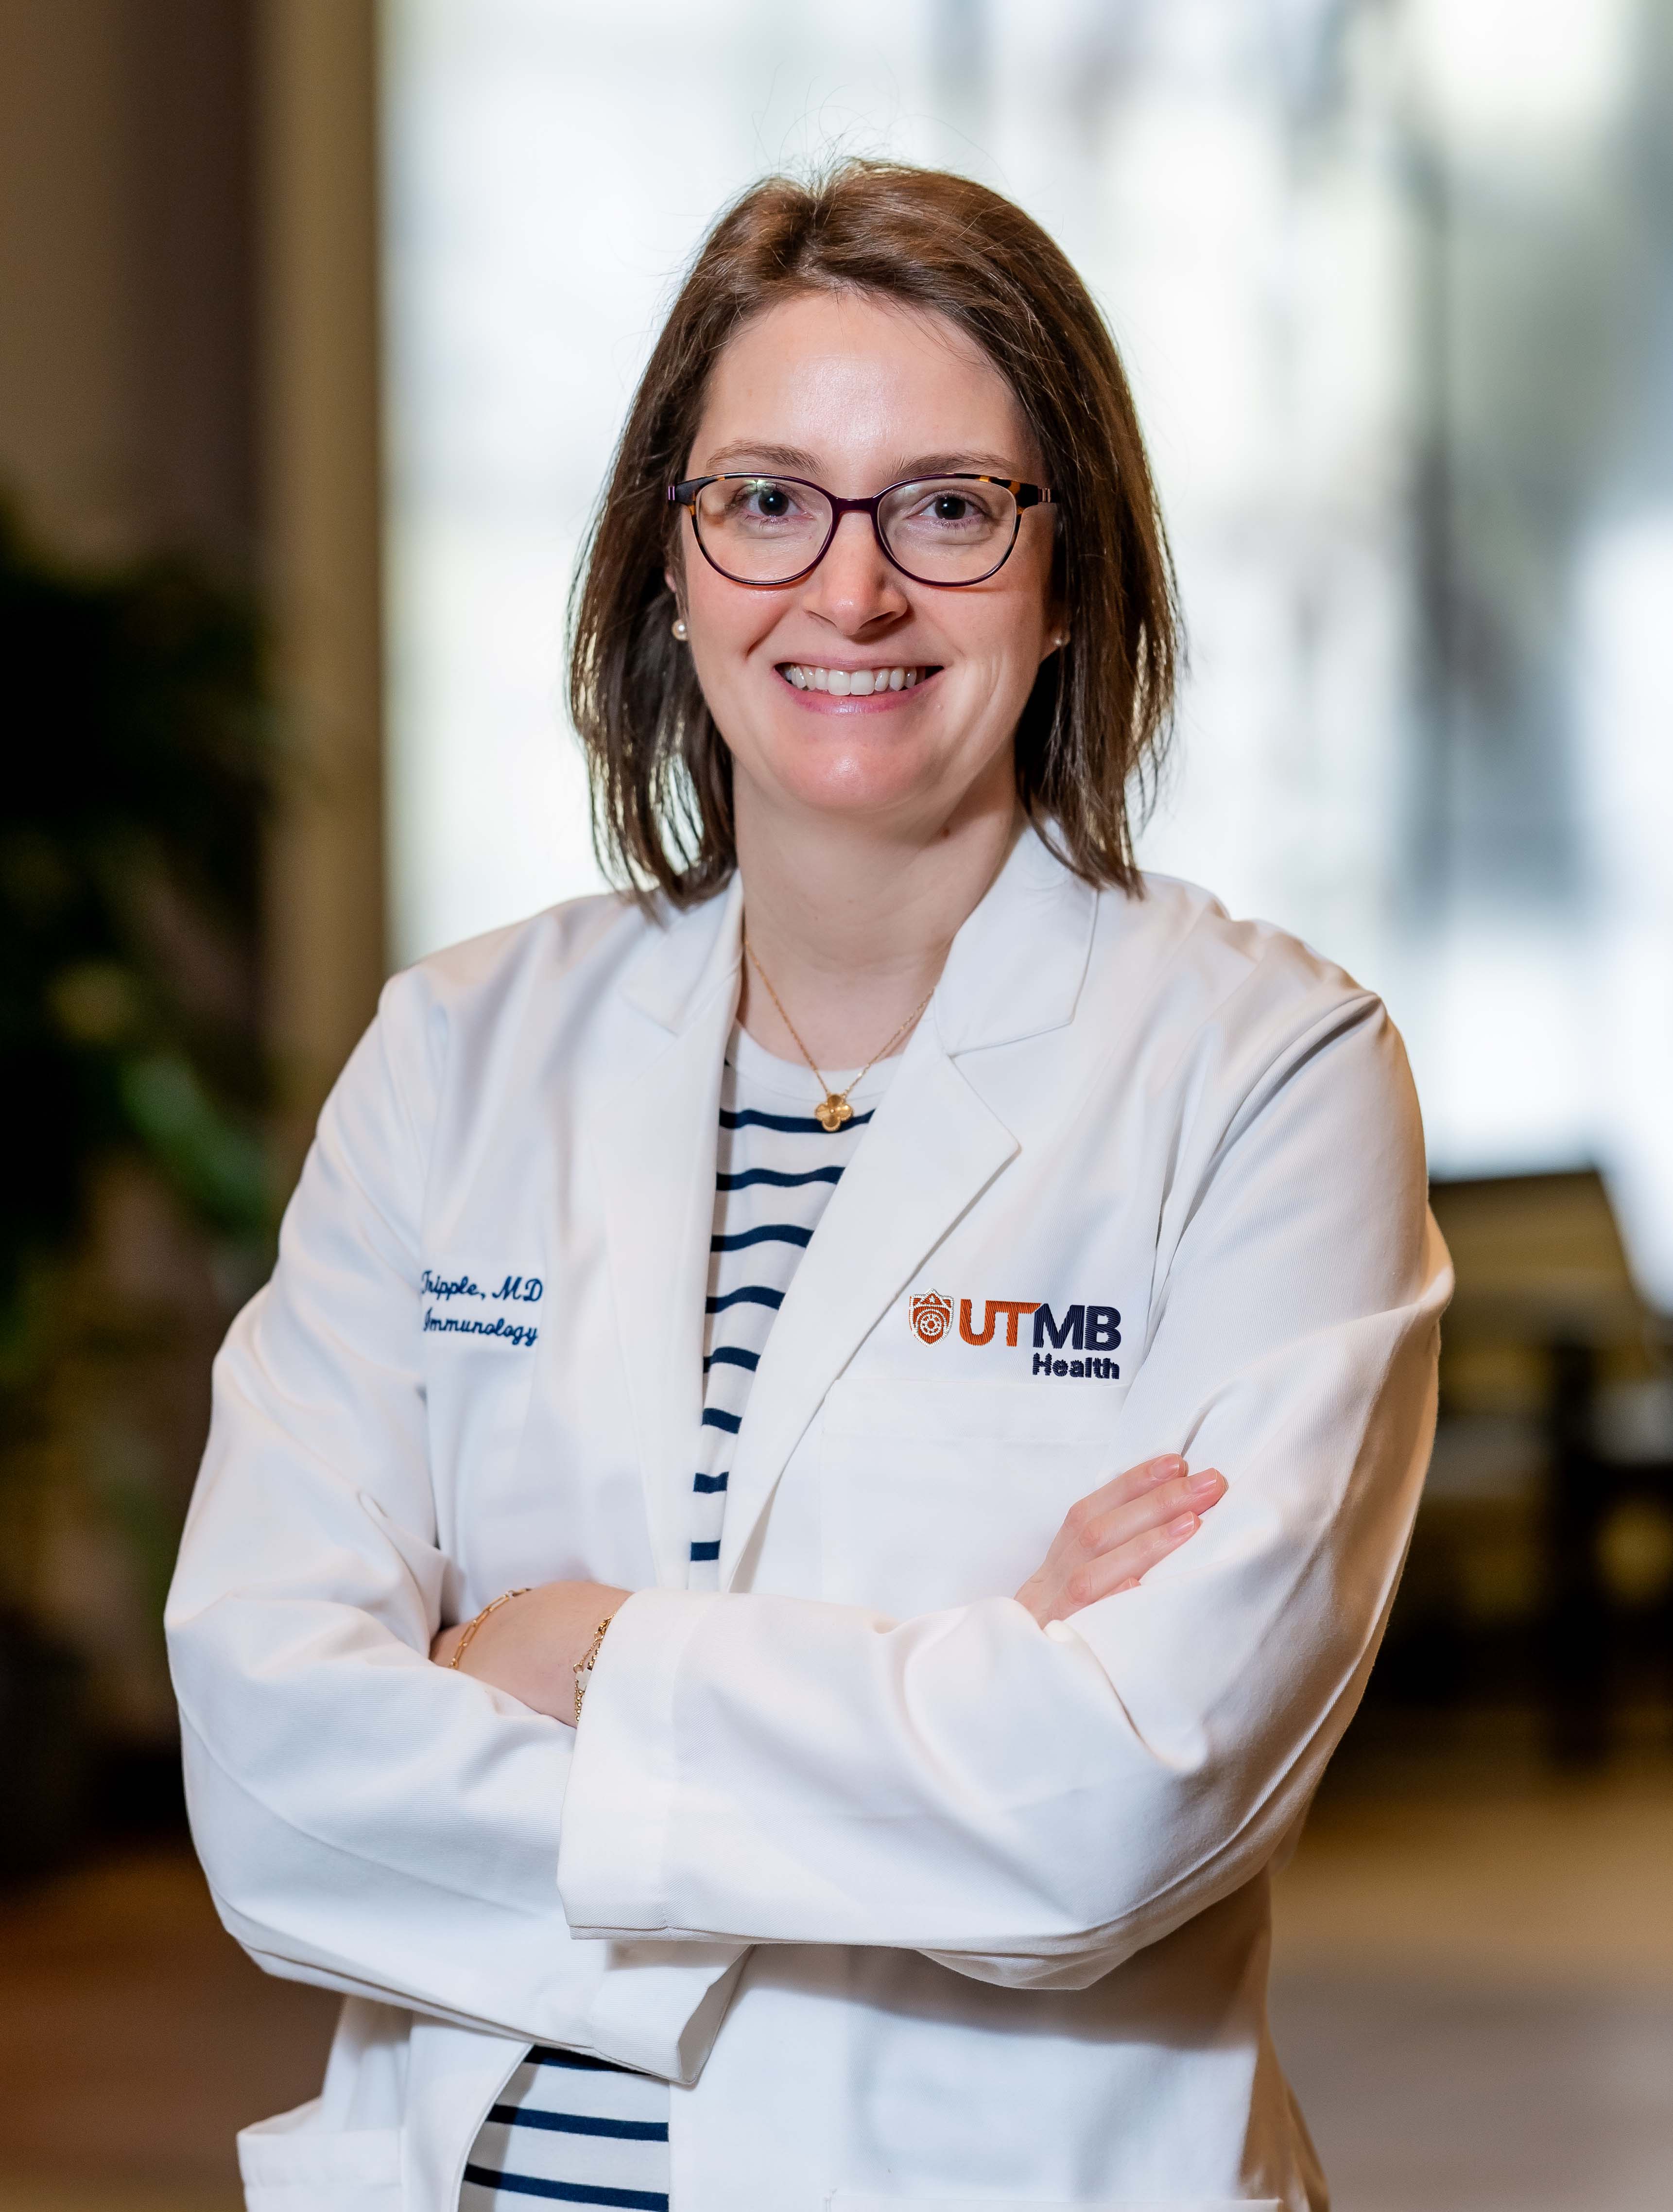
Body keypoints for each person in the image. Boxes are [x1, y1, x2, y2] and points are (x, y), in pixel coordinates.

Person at [166, 160, 1449, 2212]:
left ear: (1071, 571)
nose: (847, 592)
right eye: (766, 499)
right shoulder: (456, 1056)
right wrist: (964, 1674)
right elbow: (267, 1778)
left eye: (947, 505)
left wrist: (574, 1649)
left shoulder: (1269, 1075)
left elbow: (1112, 1810)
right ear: (670, 565)